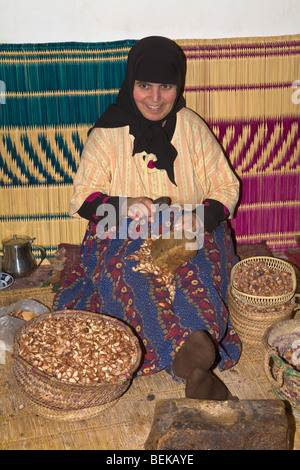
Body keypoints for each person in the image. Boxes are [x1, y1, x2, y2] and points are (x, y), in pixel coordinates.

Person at [53, 36, 242, 400]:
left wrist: (201, 218)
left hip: (188, 224)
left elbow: (225, 186)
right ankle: (187, 361)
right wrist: (124, 206)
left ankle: (196, 344)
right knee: (129, 277)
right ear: (131, 84)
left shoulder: (191, 127)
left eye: (166, 87)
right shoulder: (106, 133)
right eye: (144, 86)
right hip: (121, 228)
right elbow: (82, 198)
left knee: (200, 273)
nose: (155, 99)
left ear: (178, 87)